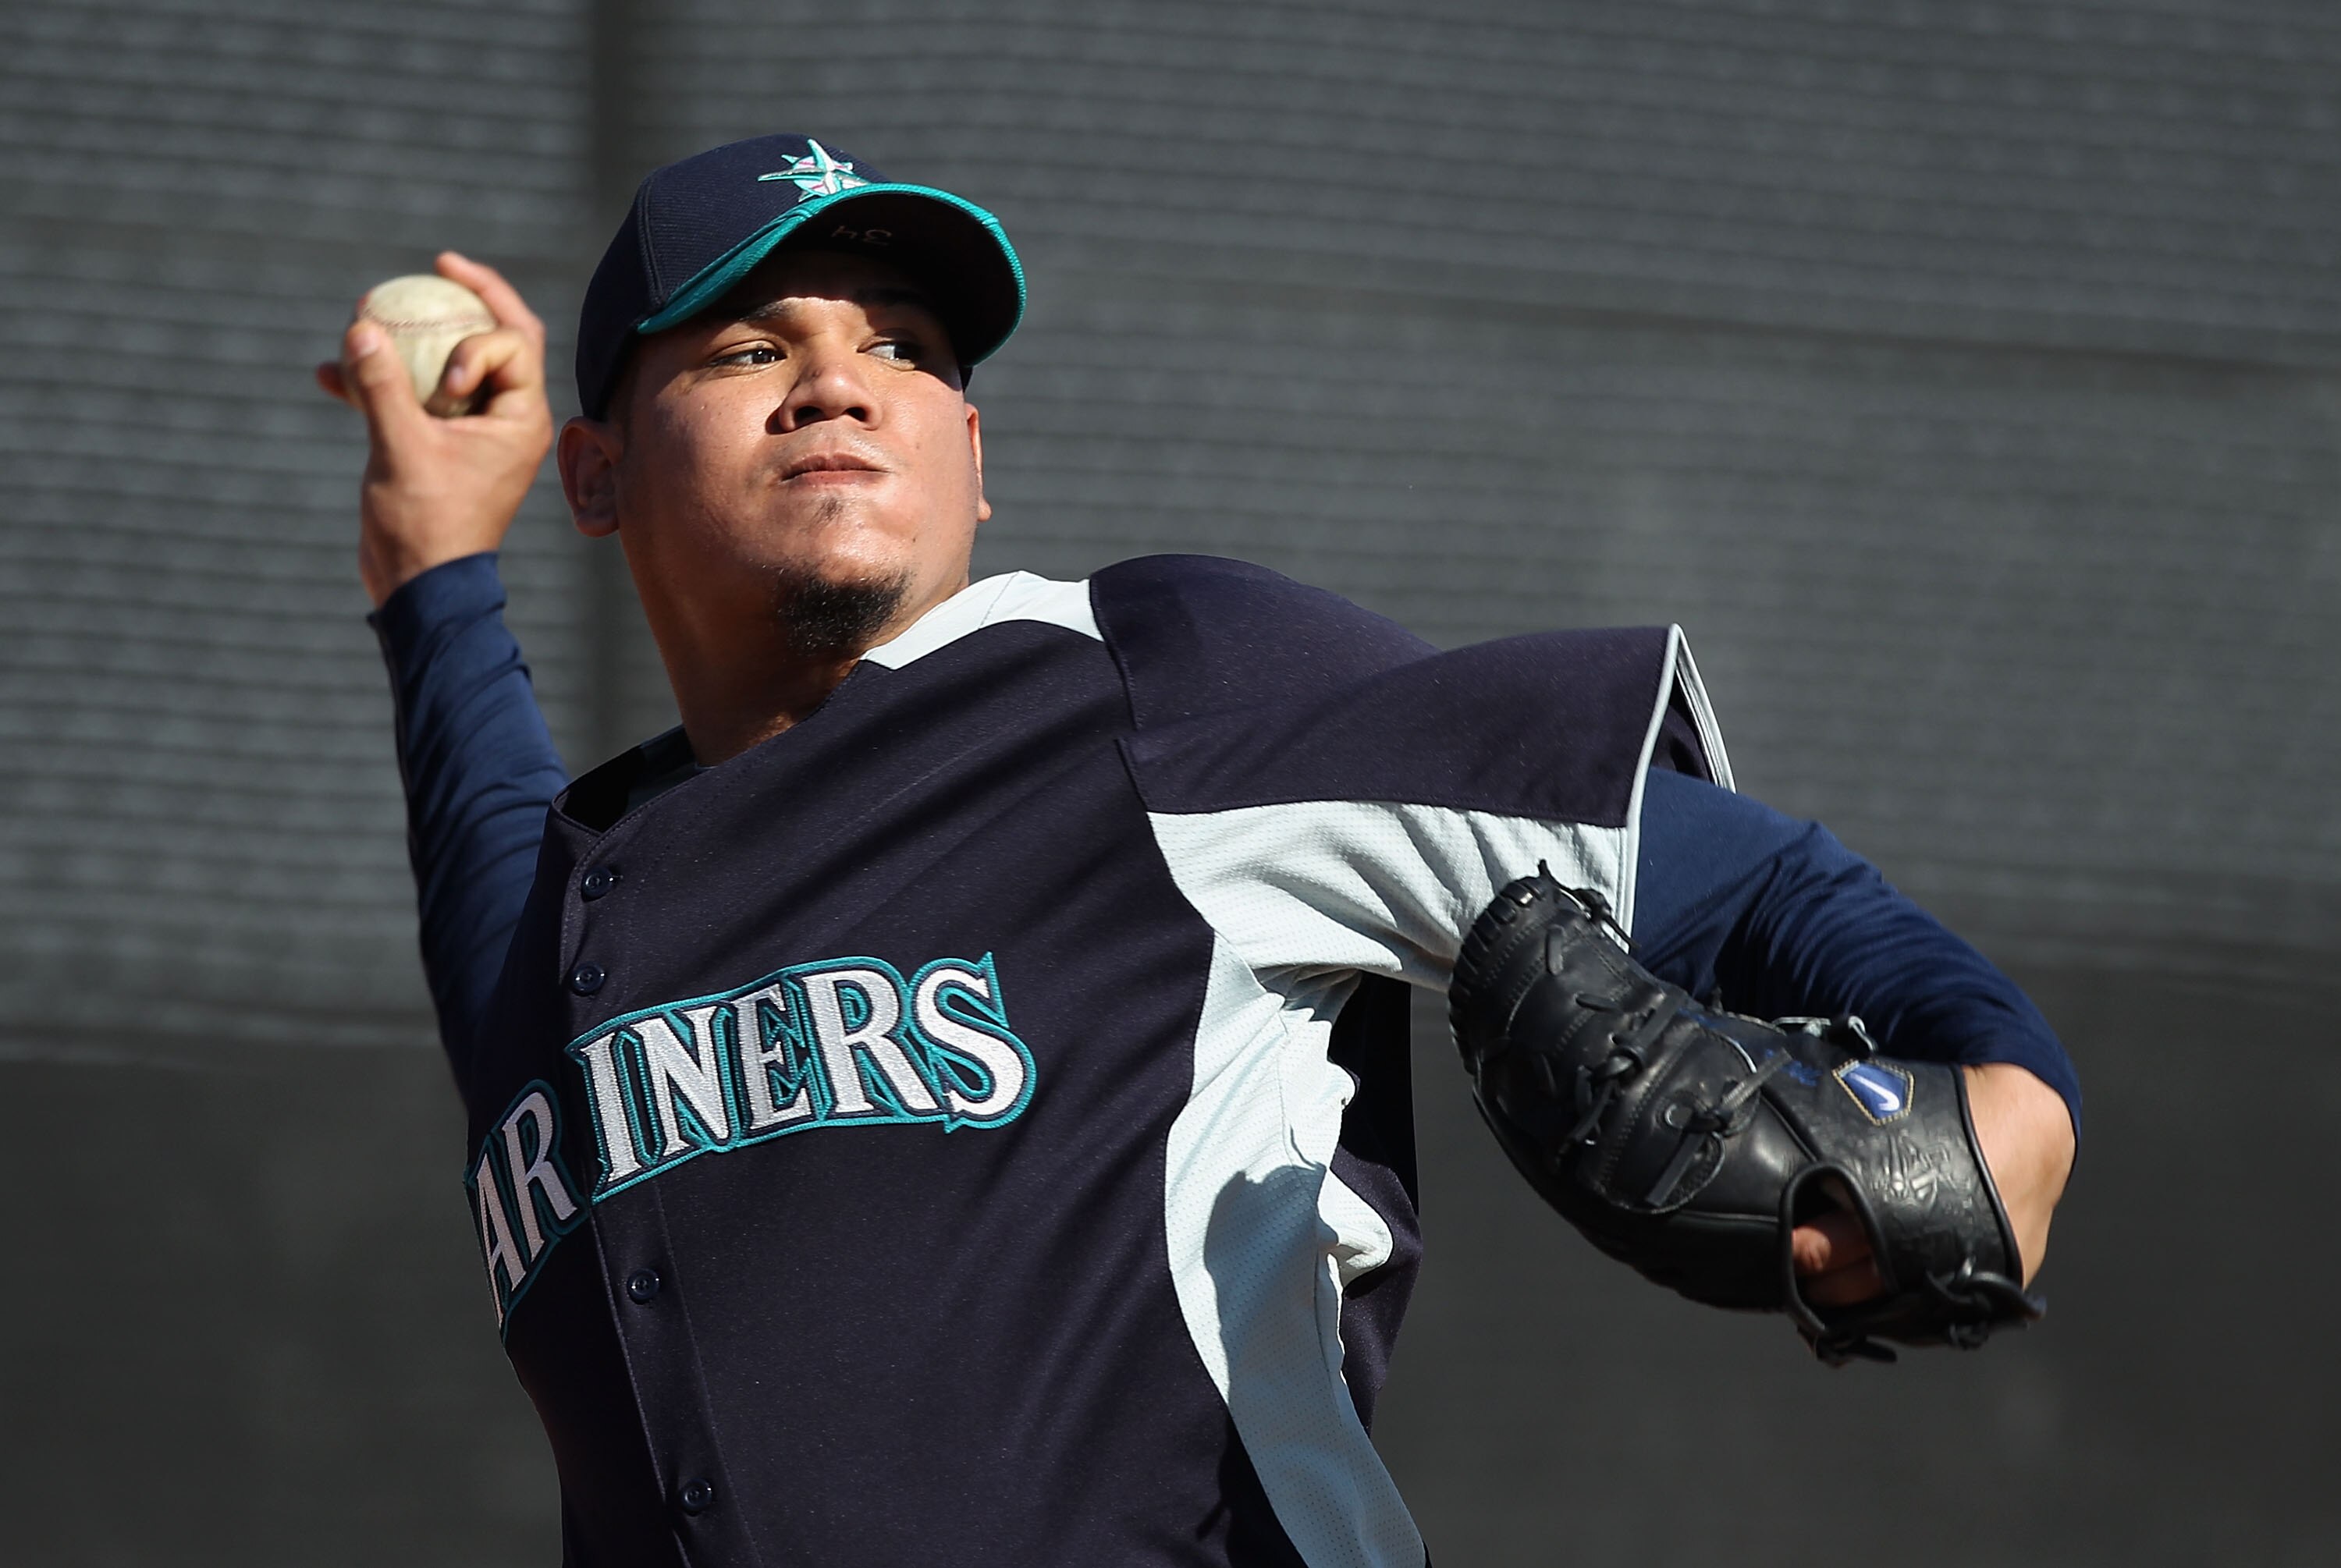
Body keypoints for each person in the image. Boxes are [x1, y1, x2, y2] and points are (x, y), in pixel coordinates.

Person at [319, 133, 2077, 1567]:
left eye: (909, 349)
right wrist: (429, 562)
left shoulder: (1147, 688)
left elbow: (1749, 879)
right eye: (751, 344)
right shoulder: (550, 926)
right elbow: (484, 829)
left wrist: (2008, 1097)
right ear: (598, 472)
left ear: (976, 460)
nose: (841, 385)